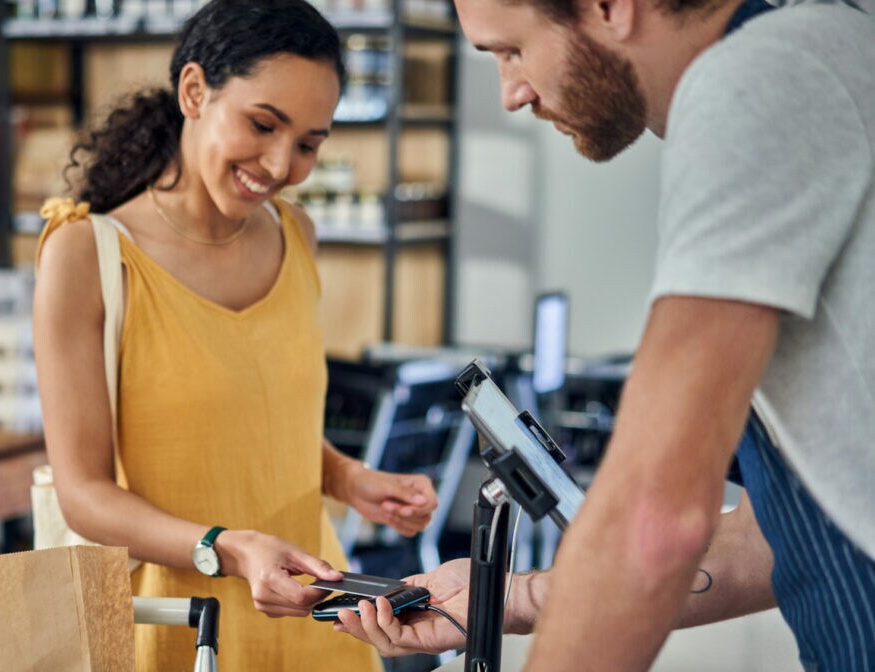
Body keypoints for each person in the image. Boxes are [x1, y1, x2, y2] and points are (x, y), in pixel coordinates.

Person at [334, 0, 875, 669]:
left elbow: (652, 521)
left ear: (608, 7)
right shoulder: (832, 47)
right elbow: (786, 538)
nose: (511, 94)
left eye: (511, 52)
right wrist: (516, 596)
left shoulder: (763, 81)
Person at [33, 1, 439, 669]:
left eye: (309, 142)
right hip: (180, 625)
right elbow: (84, 495)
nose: (281, 164)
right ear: (194, 92)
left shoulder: (297, 236)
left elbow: (256, 421)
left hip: (315, 610)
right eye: (262, 124)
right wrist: (231, 546)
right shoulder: (87, 254)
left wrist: (348, 478)